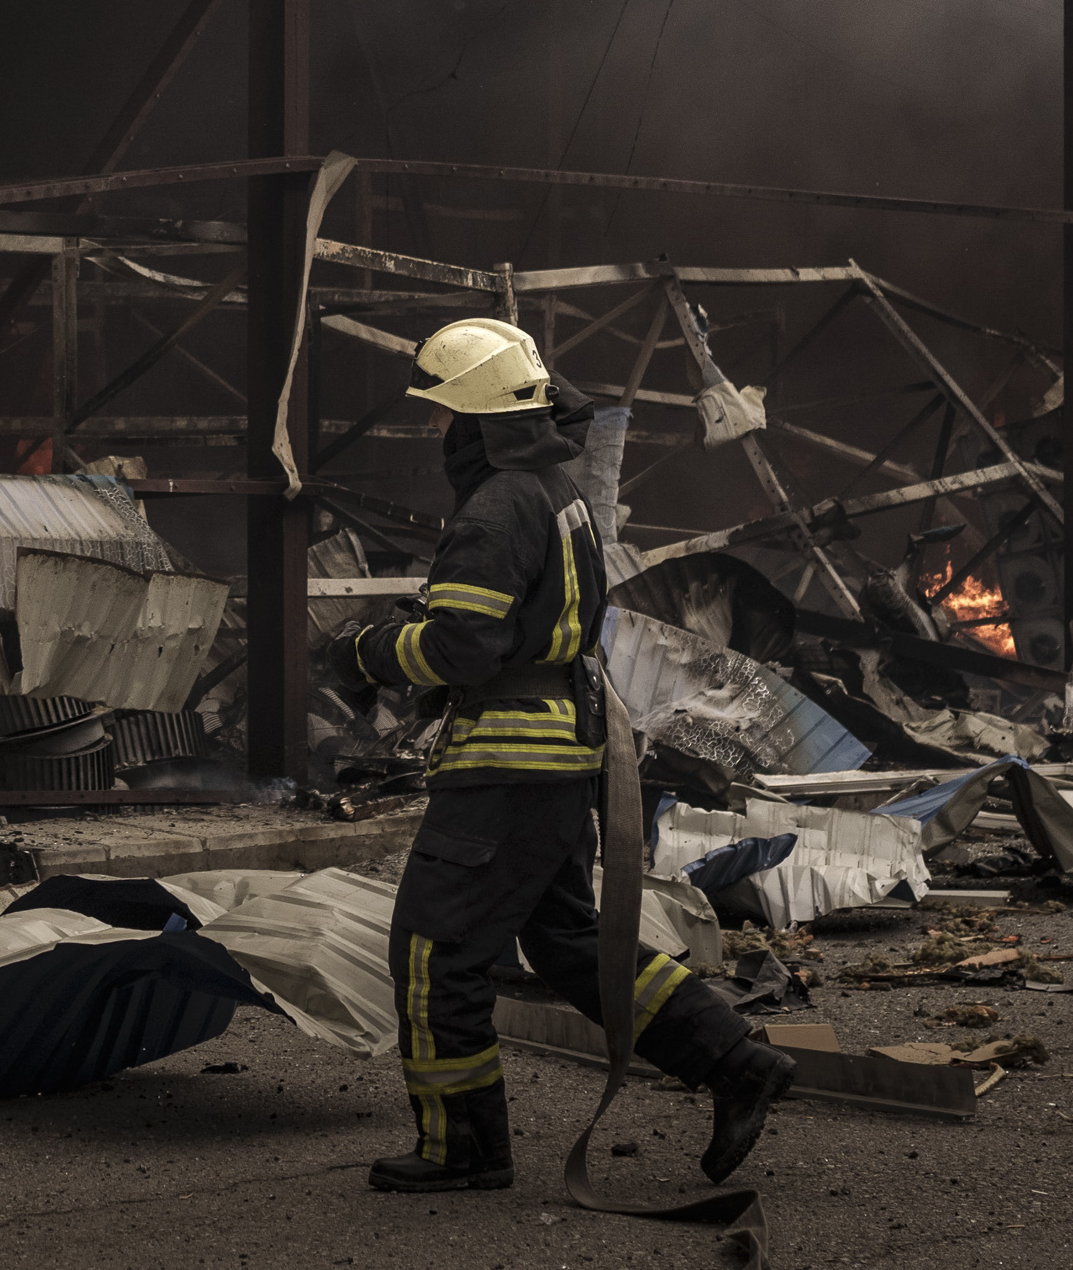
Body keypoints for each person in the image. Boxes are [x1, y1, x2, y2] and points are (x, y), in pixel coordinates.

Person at [328, 315, 793, 1194]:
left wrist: (369, 649)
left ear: (471, 420)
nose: (435, 429)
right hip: (559, 755)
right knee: (573, 942)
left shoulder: (495, 506)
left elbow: (464, 646)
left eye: (439, 413)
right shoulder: (555, 490)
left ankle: (463, 1146)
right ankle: (735, 1062)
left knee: (434, 951)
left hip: (506, 769)